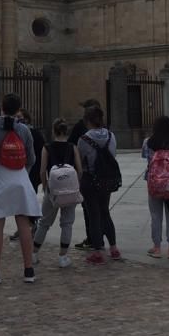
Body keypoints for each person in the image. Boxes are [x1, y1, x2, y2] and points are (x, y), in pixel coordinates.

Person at [0, 94, 41, 284]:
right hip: (20, 178)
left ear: (2, 107)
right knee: (24, 223)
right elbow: (32, 159)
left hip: (1, 177)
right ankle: (29, 270)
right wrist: (22, 170)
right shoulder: (24, 130)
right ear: (18, 109)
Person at [32, 118, 82, 268]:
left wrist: (46, 186)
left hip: (53, 191)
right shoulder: (72, 147)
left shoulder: (47, 148)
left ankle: (34, 253)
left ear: (53, 131)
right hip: (70, 190)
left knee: (44, 223)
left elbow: (42, 171)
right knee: (67, 223)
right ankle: (63, 256)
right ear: (66, 131)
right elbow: (79, 169)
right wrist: (75, 185)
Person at [77, 105, 121, 265]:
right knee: (105, 212)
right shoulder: (111, 136)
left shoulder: (84, 139)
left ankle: (97, 251)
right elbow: (113, 154)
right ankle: (114, 248)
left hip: (90, 179)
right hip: (106, 179)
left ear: (87, 120)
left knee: (93, 214)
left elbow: (80, 162)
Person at [141, 115, 169, 259]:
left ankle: (157, 247)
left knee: (155, 216)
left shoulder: (148, 142)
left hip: (153, 183)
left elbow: (146, 158)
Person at [68, 99, 100, 252]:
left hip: (86, 174)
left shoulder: (80, 127)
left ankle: (93, 239)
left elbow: (72, 146)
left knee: (88, 208)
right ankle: (99, 238)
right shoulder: (106, 130)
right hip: (104, 176)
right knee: (101, 209)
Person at [10, 108, 44, 241]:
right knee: (20, 201)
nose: (17, 120)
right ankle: (27, 225)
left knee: (27, 200)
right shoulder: (15, 133)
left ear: (27, 119)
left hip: (31, 173)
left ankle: (30, 223)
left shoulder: (34, 133)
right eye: (16, 117)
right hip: (20, 171)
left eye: (20, 117)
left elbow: (40, 154)